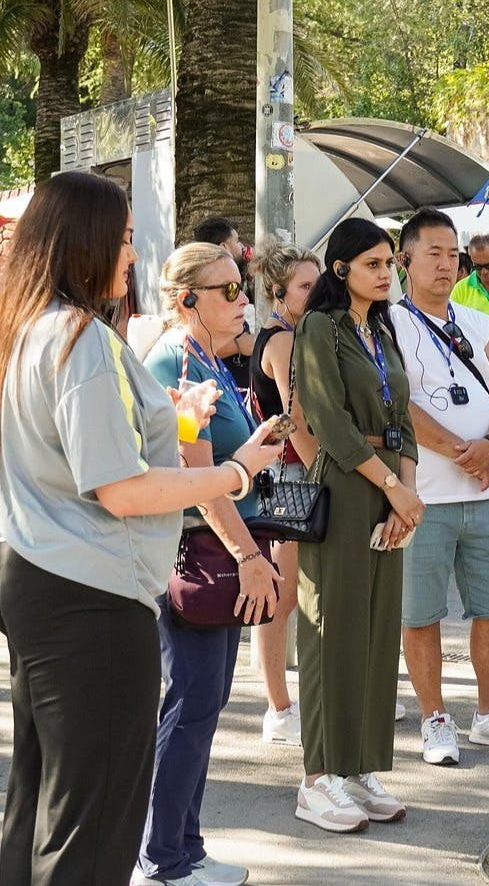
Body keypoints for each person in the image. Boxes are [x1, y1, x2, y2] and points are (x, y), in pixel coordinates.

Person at [0, 171, 279, 886]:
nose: (132, 255)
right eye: (124, 238)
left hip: (47, 582)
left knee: (44, 804)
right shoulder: (78, 339)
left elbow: (86, 458)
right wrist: (236, 472)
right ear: (86, 241)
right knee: (91, 820)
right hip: (89, 594)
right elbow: (122, 490)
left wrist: (174, 421)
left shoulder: (35, 328)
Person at [135, 243, 286, 886]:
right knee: (191, 704)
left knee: (205, 703)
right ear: (186, 300)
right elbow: (196, 480)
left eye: (241, 286)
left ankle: (184, 848)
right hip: (200, 554)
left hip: (215, 549)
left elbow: (220, 464)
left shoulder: (206, 359)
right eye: (227, 290)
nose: (242, 298)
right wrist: (250, 556)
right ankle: (162, 858)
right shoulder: (176, 360)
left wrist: (254, 452)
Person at [388, 208, 489, 767]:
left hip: (485, 491)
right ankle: (434, 718)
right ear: (405, 260)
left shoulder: (478, 323)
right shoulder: (389, 324)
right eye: (434, 253)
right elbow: (396, 404)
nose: (447, 265)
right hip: (424, 494)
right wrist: (460, 448)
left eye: (453, 254)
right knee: (421, 614)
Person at [293, 217, 425, 832]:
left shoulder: (383, 327)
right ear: (341, 268)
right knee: (331, 629)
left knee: (374, 629)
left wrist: (408, 492)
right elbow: (330, 422)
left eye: (389, 262)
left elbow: (404, 413)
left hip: (388, 483)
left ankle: (358, 765)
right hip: (346, 483)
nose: (386, 271)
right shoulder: (319, 327)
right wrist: (393, 486)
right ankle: (318, 775)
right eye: (374, 263)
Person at [248, 240, 324, 747]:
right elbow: (295, 421)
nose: (316, 292)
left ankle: (290, 703)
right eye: (305, 285)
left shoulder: (285, 333)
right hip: (293, 478)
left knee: (295, 592)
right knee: (283, 596)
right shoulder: (284, 340)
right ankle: (278, 707)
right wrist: (324, 469)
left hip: (289, 475)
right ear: (279, 292)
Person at [192, 216, 254, 389]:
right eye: (237, 241)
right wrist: (238, 346)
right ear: (224, 248)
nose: (241, 247)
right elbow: (199, 343)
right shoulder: (207, 289)